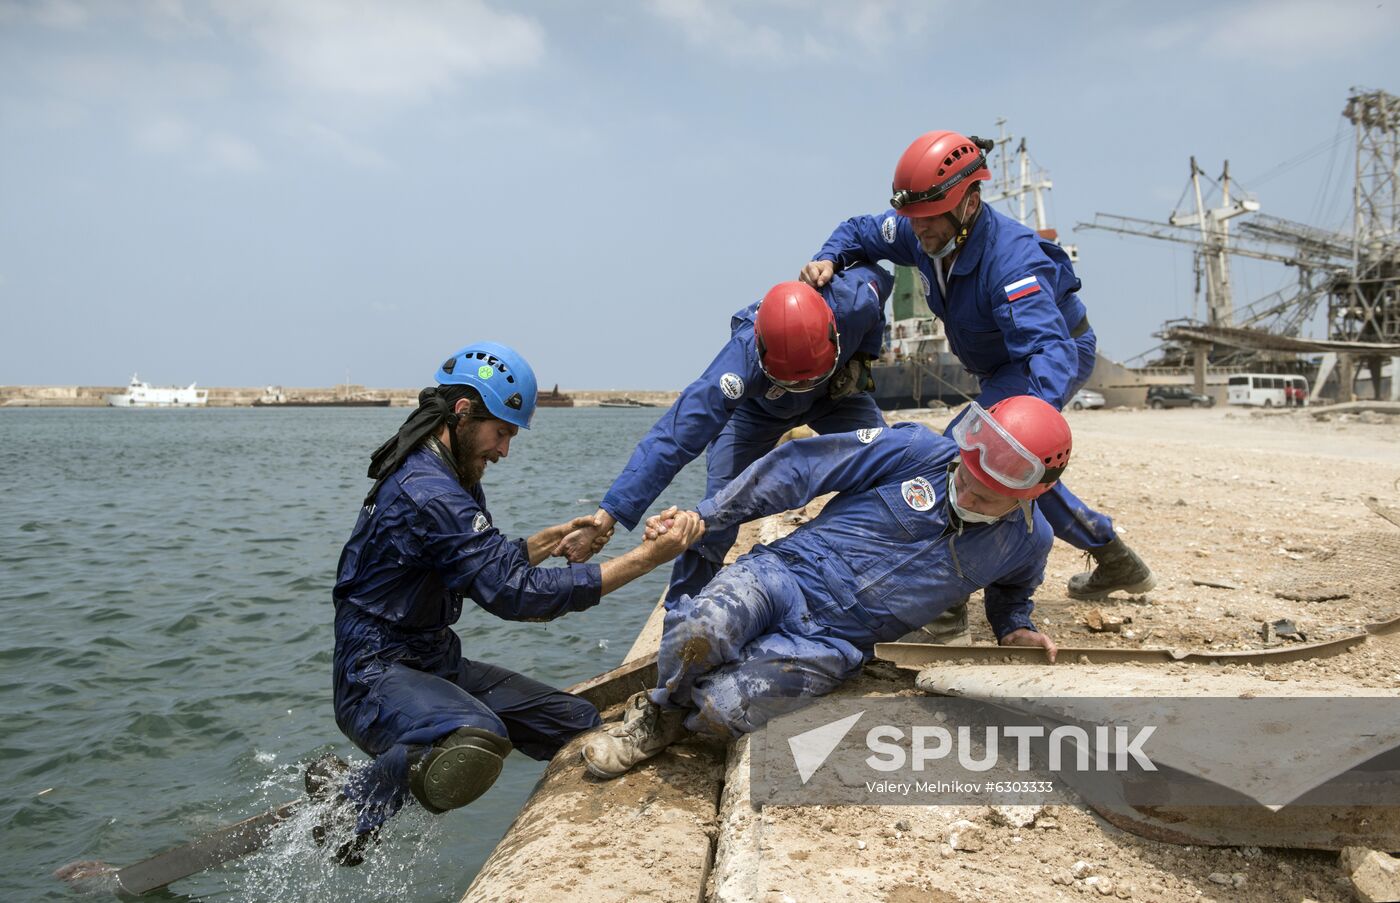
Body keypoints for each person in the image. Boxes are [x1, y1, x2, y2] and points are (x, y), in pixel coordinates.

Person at [326, 341, 704, 863]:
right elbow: (515, 595)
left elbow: (482, 564)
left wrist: (552, 539)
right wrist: (648, 558)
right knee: (477, 739)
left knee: (578, 723)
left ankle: (370, 780)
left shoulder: (451, 475)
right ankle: (349, 803)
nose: (504, 449)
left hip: (431, 660)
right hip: (373, 674)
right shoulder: (428, 490)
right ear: (463, 413)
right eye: (501, 432)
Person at [581, 395, 1069, 778]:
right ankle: (659, 713)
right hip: (786, 573)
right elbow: (800, 467)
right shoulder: (914, 450)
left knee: (726, 709)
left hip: (835, 642)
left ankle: (689, 702)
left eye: (983, 496)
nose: (964, 493)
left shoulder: (1027, 541)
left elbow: (1013, 591)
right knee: (702, 627)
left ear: (1028, 496)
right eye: (964, 476)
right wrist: (705, 517)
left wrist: (1014, 627)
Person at [798, 130, 1154, 601]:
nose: (918, 230)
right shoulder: (922, 231)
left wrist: (1024, 431)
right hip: (999, 364)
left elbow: (1049, 353)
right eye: (912, 218)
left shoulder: (1013, 264)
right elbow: (859, 230)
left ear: (969, 203)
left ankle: (947, 602)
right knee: (995, 459)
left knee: (966, 455)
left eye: (928, 220)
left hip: (1043, 357)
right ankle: (1113, 555)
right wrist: (828, 259)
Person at [556, 266, 894, 605]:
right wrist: (605, 517)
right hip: (756, 415)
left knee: (888, 465)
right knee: (717, 515)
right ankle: (683, 615)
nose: (801, 388)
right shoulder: (738, 364)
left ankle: (890, 575)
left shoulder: (856, 300)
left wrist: (864, 358)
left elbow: (880, 271)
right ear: (761, 356)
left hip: (835, 397)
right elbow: (672, 438)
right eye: (794, 382)